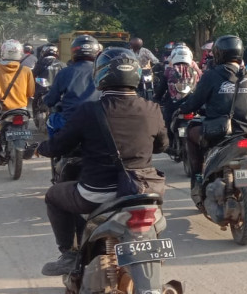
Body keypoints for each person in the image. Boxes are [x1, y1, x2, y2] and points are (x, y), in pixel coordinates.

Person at [36, 48, 168, 276]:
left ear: (101, 75)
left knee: (53, 196)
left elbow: (59, 146)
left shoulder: (88, 110)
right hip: (144, 191)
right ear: (135, 74)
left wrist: (41, 148)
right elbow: (162, 146)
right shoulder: (152, 109)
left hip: (98, 192)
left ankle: (69, 254)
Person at [178, 35, 247, 194]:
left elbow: (195, 102)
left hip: (221, 132)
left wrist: (181, 109)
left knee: (191, 132)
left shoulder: (211, 75)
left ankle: (197, 175)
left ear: (218, 54)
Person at [0, 40, 36, 155]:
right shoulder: (26, 70)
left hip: (2, 108)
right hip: (21, 108)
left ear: (3, 52)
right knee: (24, 126)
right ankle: (24, 145)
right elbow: (31, 92)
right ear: (20, 53)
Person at [44, 35, 100, 128]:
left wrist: (46, 100)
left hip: (70, 120)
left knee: (51, 121)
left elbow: (51, 100)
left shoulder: (64, 72)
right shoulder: (103, 72)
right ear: (96, 51)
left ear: (74, 51)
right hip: (97, 120)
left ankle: (55, 143)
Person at [155, 44, 201, 147]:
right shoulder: (195, 70)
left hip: (174, 105)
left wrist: (156, 99)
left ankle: (170, 144)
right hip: (192, 104)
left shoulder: (169, 71)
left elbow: (161, 88)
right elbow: (201, 85)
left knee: (167, 120)